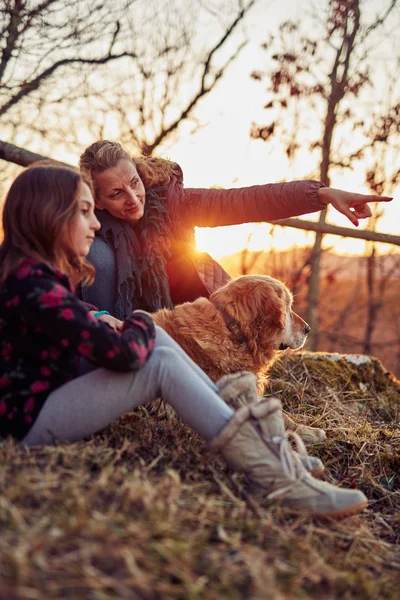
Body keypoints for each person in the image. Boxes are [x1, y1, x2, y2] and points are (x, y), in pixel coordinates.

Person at [0, 163, 368, 518]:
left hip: (43, 401)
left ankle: (264, 454)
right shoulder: (33, 285)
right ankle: (274, 475)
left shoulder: (33, 277)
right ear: (49, 217)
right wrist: (142, 322)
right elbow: (121, 354)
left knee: (157, 344)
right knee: (156, 358)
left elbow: (243, 199)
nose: (95, 222)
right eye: (84, 211)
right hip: (24, 423)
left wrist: (318, 194)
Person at [77, 140, 392, 330]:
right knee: (100, 256)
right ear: (99, 199)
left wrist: (322, 194)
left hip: (197, 313)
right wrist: (96, 317)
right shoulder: (87, 226)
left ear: (139, 172)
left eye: (134, 183)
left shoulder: (173, 203)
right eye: (117, 193)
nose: (133, 198)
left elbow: (245, 201)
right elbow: (52, 287)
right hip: (125, 325)